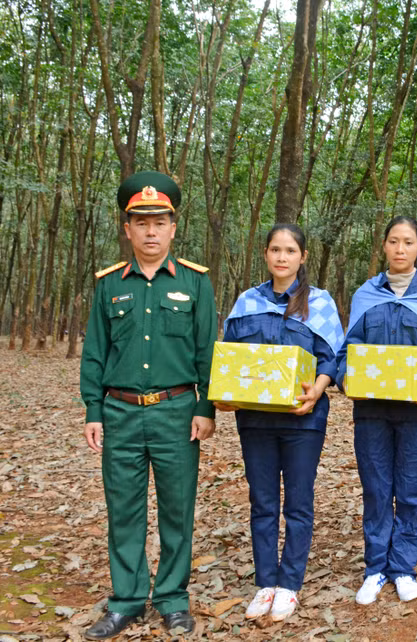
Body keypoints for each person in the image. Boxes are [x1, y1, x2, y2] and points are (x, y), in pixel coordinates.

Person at [80, 171, 217, 639]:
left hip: (177, 411)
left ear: (173, 228)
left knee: (177, 509)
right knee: (124, 508)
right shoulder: (109, 285)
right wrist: (93, 410)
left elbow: (207, 351)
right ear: (128, 229)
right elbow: (95, 352)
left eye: (160, 222)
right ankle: (126, 600)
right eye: (141, 223)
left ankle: (174, 598)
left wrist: (207, 408)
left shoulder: (196, 284)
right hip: (119, 412)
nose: (151, 231)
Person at [216, 223, 344, 622]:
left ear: (302, 257)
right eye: (275, 249)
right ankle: (265, 582)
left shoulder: (319, 303)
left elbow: (332, 359)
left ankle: (289, 584)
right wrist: (224, 394)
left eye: (290, 250)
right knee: (263, 501)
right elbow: (230, 360)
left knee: (299, 501)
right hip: (255, 421)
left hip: (302, 420)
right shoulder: (246, 303)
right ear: (266, 254)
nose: (282, 257)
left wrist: (318, 390)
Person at [336, 216, 417, 605]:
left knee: (413, 490)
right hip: (371, 412)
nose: (400, 249)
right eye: (393, 241)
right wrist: (343, 378)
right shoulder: (365, 295)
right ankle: (375, 569)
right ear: (383, 246)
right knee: (376, 489)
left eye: (408, 242)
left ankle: (403, 567)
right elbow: (345, 350)